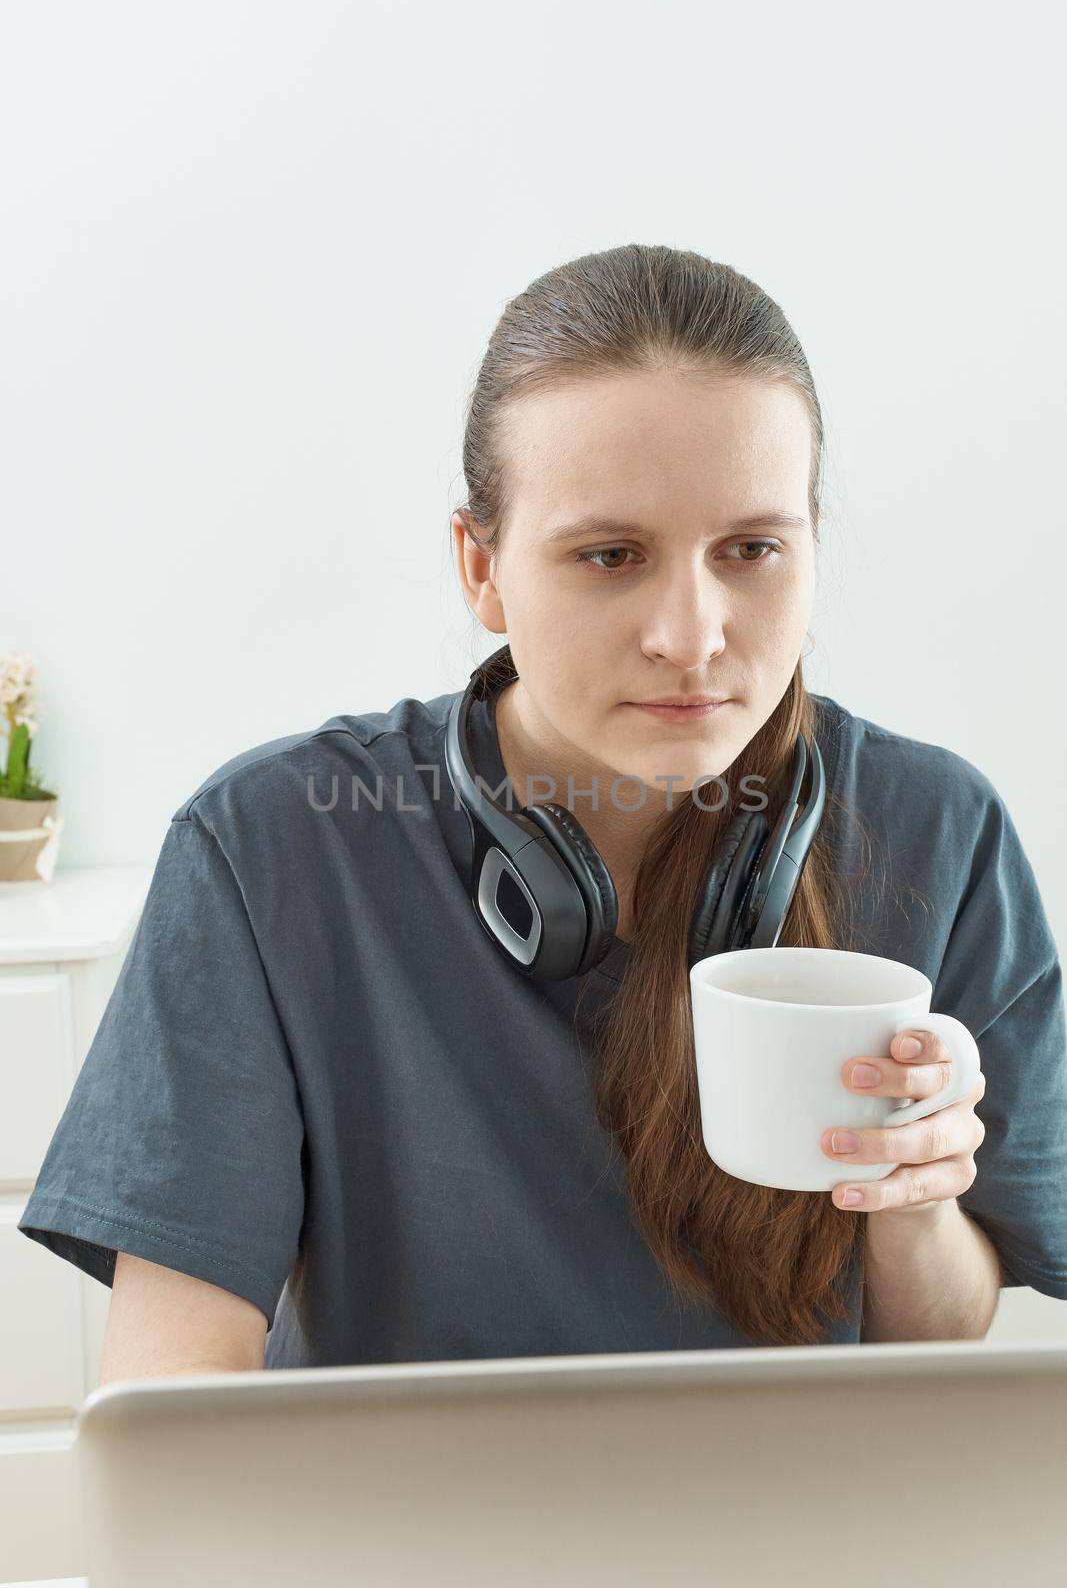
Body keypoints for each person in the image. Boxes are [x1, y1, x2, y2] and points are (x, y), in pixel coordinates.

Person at [19, 244, 1067, 1374]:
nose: (692, 635)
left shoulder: (938, 828)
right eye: (610, 556)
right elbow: (175, 1418)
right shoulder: (269, 851)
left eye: (751, 549)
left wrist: (908, 1195)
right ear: (481, 568)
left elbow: (942, 1341)